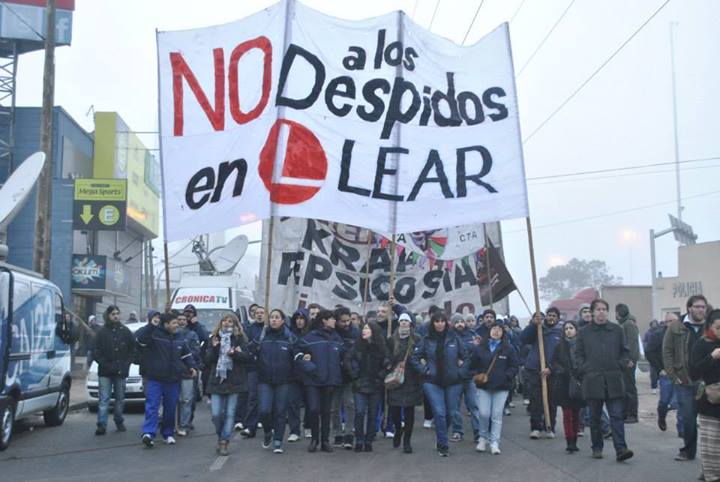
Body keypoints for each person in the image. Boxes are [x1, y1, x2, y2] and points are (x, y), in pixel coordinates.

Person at [576, 299, 634, 461]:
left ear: (607, 312)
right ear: (593, 312)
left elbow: (625, 352)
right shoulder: (584, 332)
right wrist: (585, 369)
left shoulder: (616, 330)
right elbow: (578, 355)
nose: (601, 312)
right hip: (593, 380)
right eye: (598, 309)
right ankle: (597, 447)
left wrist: (620, 364)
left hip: (613, 379)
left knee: (616, 415)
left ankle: (621, 449)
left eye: (604, 309)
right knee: (594, 417)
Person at [136, 311, 197, 448]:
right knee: (152, 406)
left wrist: (192, 366)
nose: (177, 325)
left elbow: (186, 355)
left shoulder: (180, 337)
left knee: (170, 408)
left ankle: (167, 433)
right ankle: (148, 433)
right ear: (166, 324)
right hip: (155, 378)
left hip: (173, 379)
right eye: (174, 323)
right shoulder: (154, 335)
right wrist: (151, 326)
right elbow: (140, 339)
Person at [410, 311, 466, 457]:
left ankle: (441, 436)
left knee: (450, 413)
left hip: (453, 381)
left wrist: (460, 370)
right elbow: (414, 358)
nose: (440, 324)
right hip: (432, 381)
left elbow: (466, 357)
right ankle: (443, 445)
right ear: (432, 323)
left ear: (446, 323)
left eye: (442, 321)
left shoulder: (454, 338)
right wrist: (424, 370)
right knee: (439, 413)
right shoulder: (426, 339)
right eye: (437, 321)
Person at [663, 294, 708, 462]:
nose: (700, 310)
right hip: (685, 381)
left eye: (703, 307)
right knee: (688, 418)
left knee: (710, 419)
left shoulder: (710, 327)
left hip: (706, 380)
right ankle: (688, 451)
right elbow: (667, 351)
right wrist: (673, 375)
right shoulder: (676, 326)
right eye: (697, 306)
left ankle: (711, 454)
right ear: (689, 308)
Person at [295, 309, 345, 453]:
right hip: (313, 380)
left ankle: (324, 441)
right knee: (314, 409)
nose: (335, 321)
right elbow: (297, 352)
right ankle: (314, 439)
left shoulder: (337, 338)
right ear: (324, 320)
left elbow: (343, 356)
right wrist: (308, 365)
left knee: (326, 411)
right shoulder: (310, 337)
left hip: (330, 380)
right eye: (332, 319)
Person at [206, 312, 253, 456]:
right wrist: (215, 348)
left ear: (235, 324)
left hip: (234, 380)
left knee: (230, 413)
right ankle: (221, 435)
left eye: (230, 321)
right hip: (217, 380)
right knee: (216, 414)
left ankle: (224, 441)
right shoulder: (214, 338)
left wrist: (235, 354)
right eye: (225, 321)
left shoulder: (240, 339)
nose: (227, 323)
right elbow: (207, 360)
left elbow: (247, 358)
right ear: (220, 323)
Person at [470, 321, 519, 454]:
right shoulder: (480, 347)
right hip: (483, 385)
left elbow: (514, 366)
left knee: (496, 415)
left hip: (501, 386)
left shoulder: (508, 348)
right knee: (484, 413)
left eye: (499, 329)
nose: (496, 331)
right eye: (494, 329)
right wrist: (476, 375)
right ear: (489, 331)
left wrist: (506, 376)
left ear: (503, 333)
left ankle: (494, 442)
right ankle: (482, 437)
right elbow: (472, 364)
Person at [253, 308, 297, 454]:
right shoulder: (263, 336)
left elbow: (296, 357)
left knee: (280, 411)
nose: (274, 320)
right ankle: (267, 432)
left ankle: (278, 440)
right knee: (264, 410)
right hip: (265, 379)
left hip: (284, 380)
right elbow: (251, 352)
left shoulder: (289, 338)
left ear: (283, 320)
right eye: (272, 317)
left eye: (277, 317)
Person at [345, 322, 388, 452]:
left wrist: (380, 375)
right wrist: (353, 374)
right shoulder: (356, 346)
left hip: (375, 384)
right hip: (360, 384)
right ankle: (359, 439)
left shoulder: (381, 347)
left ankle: (369, 440)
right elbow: (347, 359)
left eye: (367, 329)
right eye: (363, 328)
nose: (364, 331)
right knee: (360, 412)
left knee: (373, 414)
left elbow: (387, 362)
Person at [93, 305, 134, 435]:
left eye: (117, 313)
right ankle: (101, 425)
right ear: (108, 315)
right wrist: (105, 364)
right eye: (113, 314)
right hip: (105, 372)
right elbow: (96, 352)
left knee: (120, 398)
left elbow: (132, 350)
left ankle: (119, 420)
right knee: (104, 399)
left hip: (121, 372)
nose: (115, 316)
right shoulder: (101, 332)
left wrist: (126, 365)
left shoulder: (126, 331)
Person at [521, 308, 562, 439]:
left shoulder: (560, 332)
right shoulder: (538, 329)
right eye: (549, 315)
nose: (551, 318)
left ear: (558, 318)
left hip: (552, 372)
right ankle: (535, 427)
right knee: (535, 400)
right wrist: (534, 324)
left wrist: (551, 368)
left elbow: (562, 356)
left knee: (551, 401)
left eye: (554, 316)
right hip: (534, 369)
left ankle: (549, 426)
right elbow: (523, 338)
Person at [690, 309, 720, 482]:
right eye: (718, 327)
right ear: (710, 326)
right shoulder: (702, 344)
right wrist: (712, 357)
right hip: (710, 401)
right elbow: (694, 372)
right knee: (711, 445)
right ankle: (712, 476)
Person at [387, 312, 423, 453]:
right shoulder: (392, 339)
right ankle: (398, 430)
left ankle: (407, 441)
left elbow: (421, 355)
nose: (403, 323)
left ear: (410, 324)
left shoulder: (417, 339)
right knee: (395, 409)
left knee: (409, 411)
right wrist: (388, 365)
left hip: (411, 379)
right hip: (395, 379)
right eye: (401, 320)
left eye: (406, 321)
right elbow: (387, 356)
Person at [551, 320, 586, 453]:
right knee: (567, 413)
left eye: (571, 328)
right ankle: (569, 440)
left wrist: (581, 372)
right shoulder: (559, 346)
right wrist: (561, 371)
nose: (568, 331)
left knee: (577, 413)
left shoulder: (582, 345)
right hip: (564, 383)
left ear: (576, 329)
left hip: (578, 382)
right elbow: (554, 362)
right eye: (566, 329)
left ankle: (575, 439)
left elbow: (585, 360)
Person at [647, 313, 683, 434]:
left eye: (673, 321)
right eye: (668, 321)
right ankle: (662, 416)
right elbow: (650, 352)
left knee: (680, 402)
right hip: (666, 372)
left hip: (681, 372)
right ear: (665, 323)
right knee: (664, 401)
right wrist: (660, 369)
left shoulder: (683, 333)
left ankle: (681, 429)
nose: (671, 324)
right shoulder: (658, 335)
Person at [449, 313, 481, 443]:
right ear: (452, 324)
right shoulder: (449, 336)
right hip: (455, 378)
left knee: (474, 406)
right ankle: (457, 431)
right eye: (456, 322)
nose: (460, 324)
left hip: (470, 377)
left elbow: (478, 353)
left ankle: (478, 432)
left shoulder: (473, 335)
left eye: (461, 321)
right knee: (454, 407)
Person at [331, 306, 359, 448]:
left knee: (350, 403)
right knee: (334, 407)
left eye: (348, 320)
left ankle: (349, 433)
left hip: (349, 375)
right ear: (336, 321)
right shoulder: (331, 332)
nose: (346, 324)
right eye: (343, 321)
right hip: (334, 374)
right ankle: (337, 433)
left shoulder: (355, 333)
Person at [240, 305, 266, 439]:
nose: (259, 315)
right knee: (252, 397)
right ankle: (250, 426)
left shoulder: (270, 329)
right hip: (253, 367)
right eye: (257, 313)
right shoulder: (249, 329)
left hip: (268, 368)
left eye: (262, 312)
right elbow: (246, 346)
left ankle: (268, 426)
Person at [176, 312, 202, 436]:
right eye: (179, 319)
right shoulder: (171, 335)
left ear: (187, 322)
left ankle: (184, 425)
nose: (181, 322)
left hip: (187, 372)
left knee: (186, 400)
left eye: (183, 320)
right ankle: (172, 424)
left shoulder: (192, 335)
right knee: (174, 400)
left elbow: (196, 352)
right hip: (173, 373)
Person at [287, 308, 310, 441]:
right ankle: (294, 430)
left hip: (308, 374)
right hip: (293, 374)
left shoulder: (311, 334)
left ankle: (308, 426)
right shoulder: (290, 335)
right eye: (297, 318)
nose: (299, 321)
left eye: (302, 319)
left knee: (309, 403)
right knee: (293, 403)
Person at [615, 303, 640, 423]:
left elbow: (633, 343)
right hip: (624, 361)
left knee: (629, 388)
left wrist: (631, 359)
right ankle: (625, 413)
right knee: (624, 388)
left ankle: (632, 414)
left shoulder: (629, 324)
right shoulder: (624, 324)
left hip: (629, 362)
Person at [644, 319, 661, 392]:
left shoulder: (660, 332)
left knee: (660, 370)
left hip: (659, 354)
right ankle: (653, 386)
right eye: (653, 324)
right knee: (653, 371)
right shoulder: (648, 333)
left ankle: (659, 383)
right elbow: (645, 341)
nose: (654, 325)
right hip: (651, 354)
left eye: (655, 324)